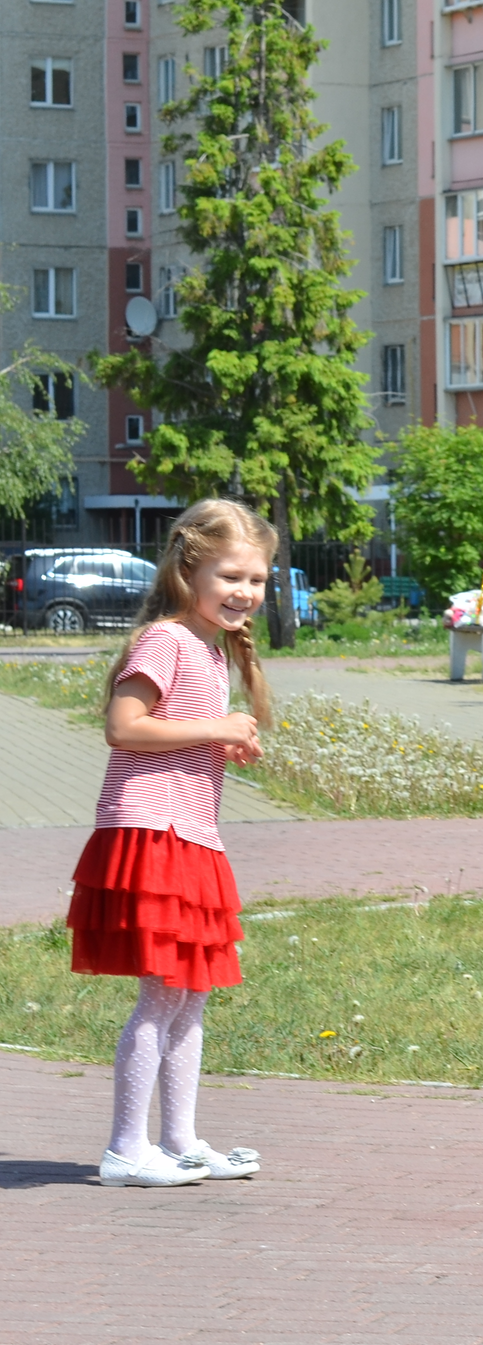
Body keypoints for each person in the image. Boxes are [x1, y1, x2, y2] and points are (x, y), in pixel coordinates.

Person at [68, 499, 277, 1187]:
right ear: (190, 569)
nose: (245, 592)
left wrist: (225, 736)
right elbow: (124, 728)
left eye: (257, 579)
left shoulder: (211, 650)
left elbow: (184, 729)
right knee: (161, 994)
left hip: (191, 834)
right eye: (231, 576)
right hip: (149, 831)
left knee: (191, 992)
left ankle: (180, 1141)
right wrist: (218, 729)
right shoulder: (165, 641)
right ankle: (127, 1150)